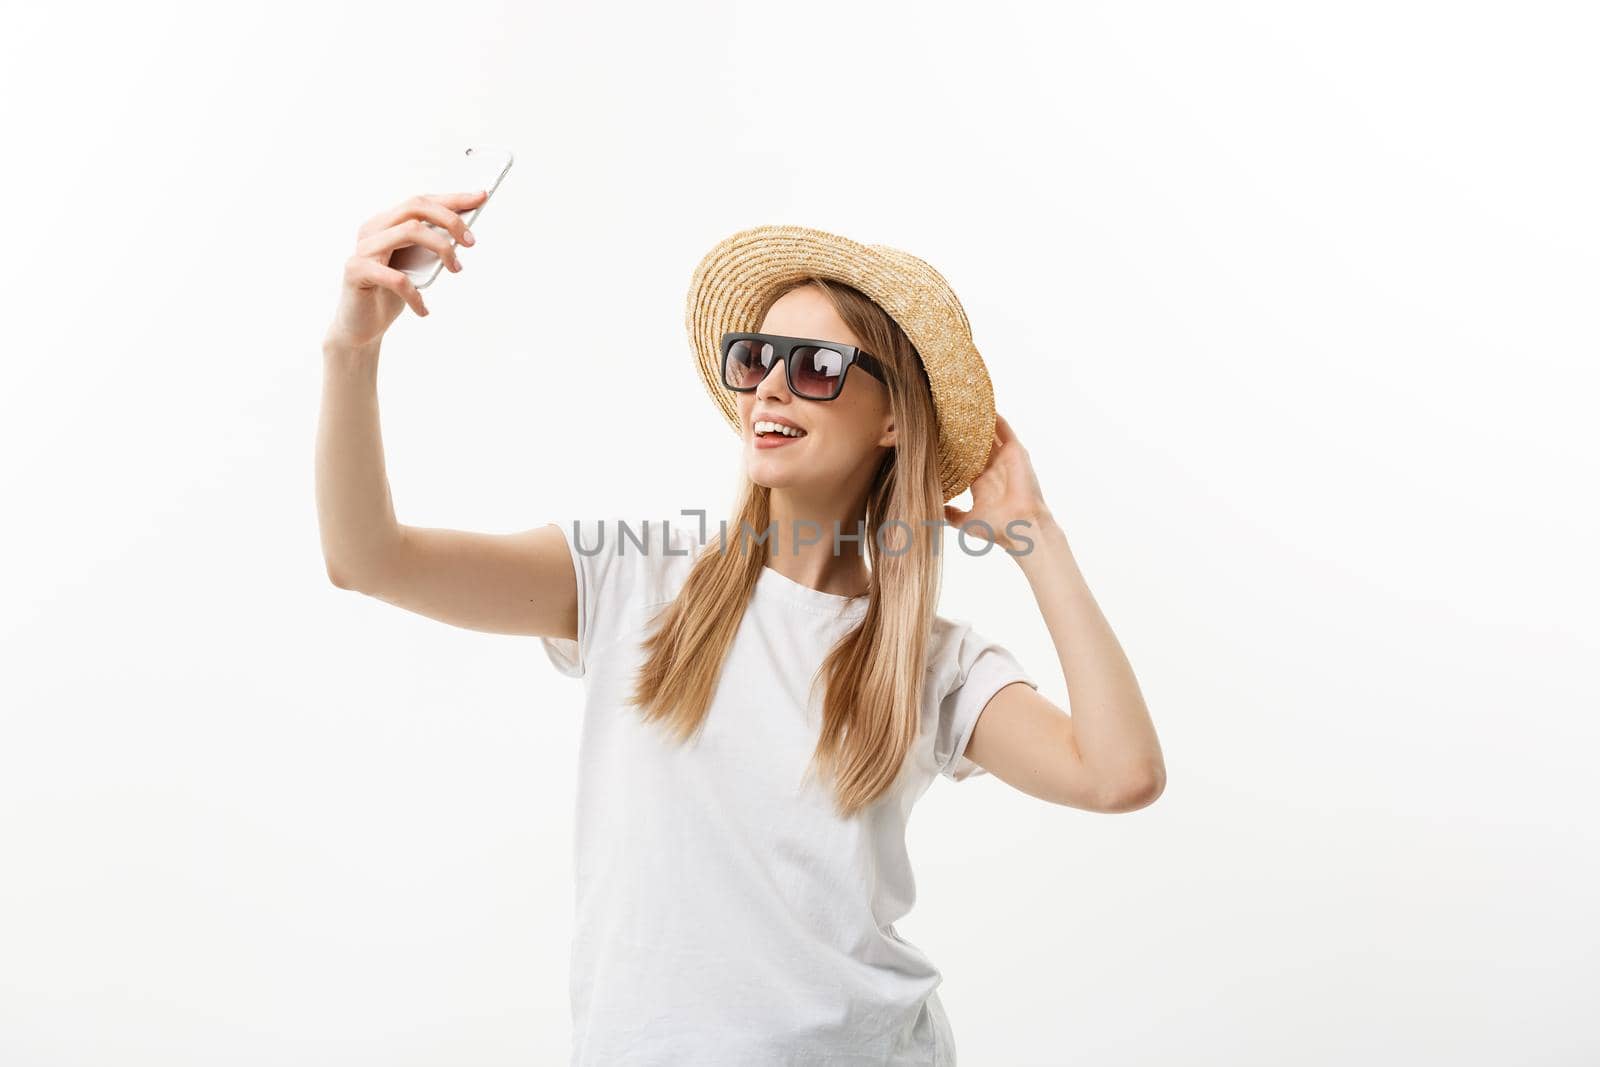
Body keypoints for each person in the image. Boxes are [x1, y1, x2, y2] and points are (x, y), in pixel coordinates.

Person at [317, 198, 1165, 1065]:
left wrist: (1036, 533)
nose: (768, 384)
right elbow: (368, 558)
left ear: (894, 419)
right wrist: (352, 349)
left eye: (819, 366)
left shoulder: (932, 663)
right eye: (757, 356)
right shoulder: (632, 578)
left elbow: (1119, 775)